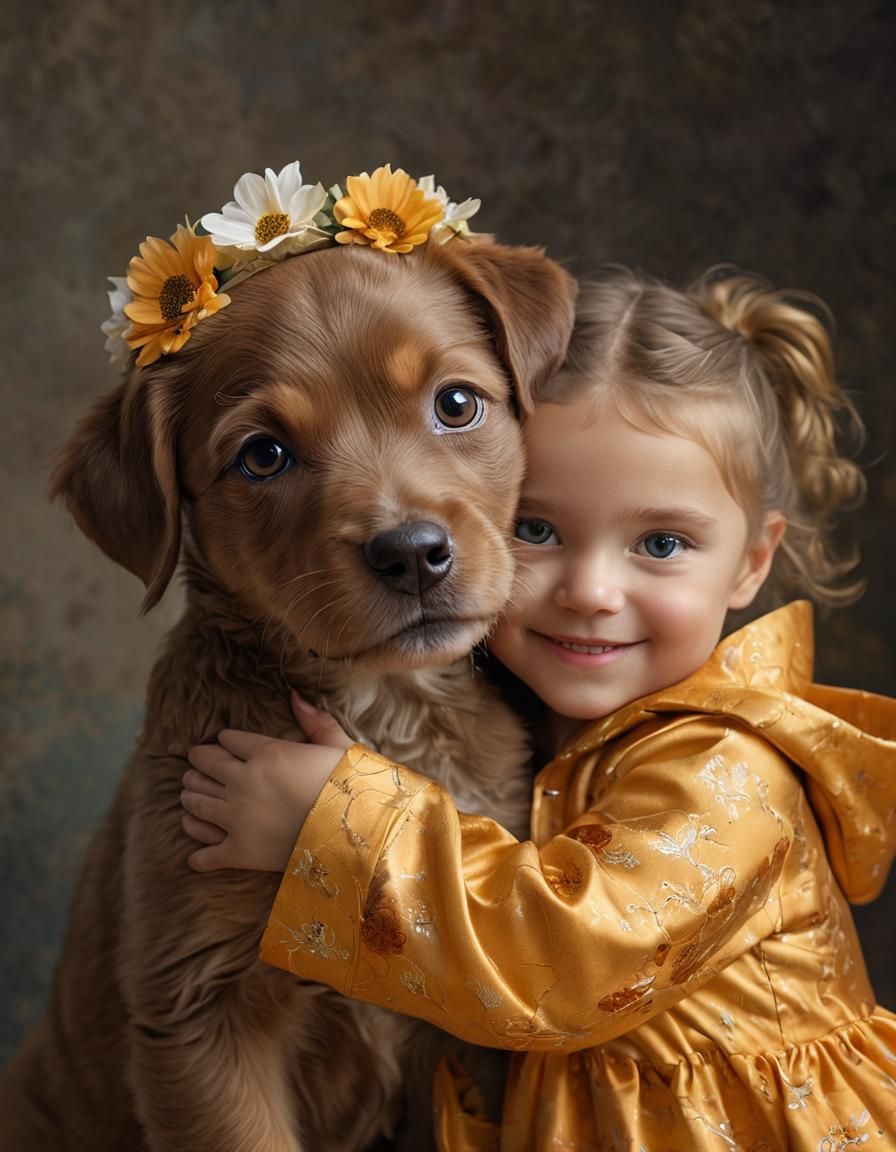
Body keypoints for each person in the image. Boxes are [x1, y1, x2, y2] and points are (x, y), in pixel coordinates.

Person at [180, 267, 896, 1151]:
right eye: (536, 530)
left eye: (661, 542)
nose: (590, 591)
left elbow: (563, 965)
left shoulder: (729, 768)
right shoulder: (543, 715)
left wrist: (335, 828)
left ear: (753, 560)